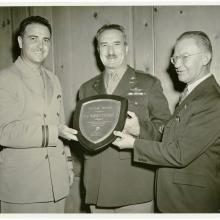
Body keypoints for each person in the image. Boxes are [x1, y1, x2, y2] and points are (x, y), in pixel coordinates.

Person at [113, 31, 220, 213]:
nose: (177, 64)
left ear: (205, 58)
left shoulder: (212, 101)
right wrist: (141, 130)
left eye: (184, 57)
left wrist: (134, 144)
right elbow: (173, 138)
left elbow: (179, 153)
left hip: (192, 204)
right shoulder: (193, 94)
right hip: (177, 200)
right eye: (175, 58)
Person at [78, 24, 171, 213]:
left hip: (134, 184)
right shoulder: (86, 89)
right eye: (104, 45)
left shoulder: (149, 83)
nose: (110, 51)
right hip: (97, 184)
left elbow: (167, 129)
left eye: (116, 44)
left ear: (126, 48)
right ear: (98, 51)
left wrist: (139, 130)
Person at [0, 16, 78, 213]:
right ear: (20, 41)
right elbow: (5, 132)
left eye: (46, 40)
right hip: (23, 188)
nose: (40, 45)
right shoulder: (5, 78)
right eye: (33, 38)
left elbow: (62, 126)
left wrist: (68, 164)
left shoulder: (54, 78)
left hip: (56, 184)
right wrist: (54, 132)